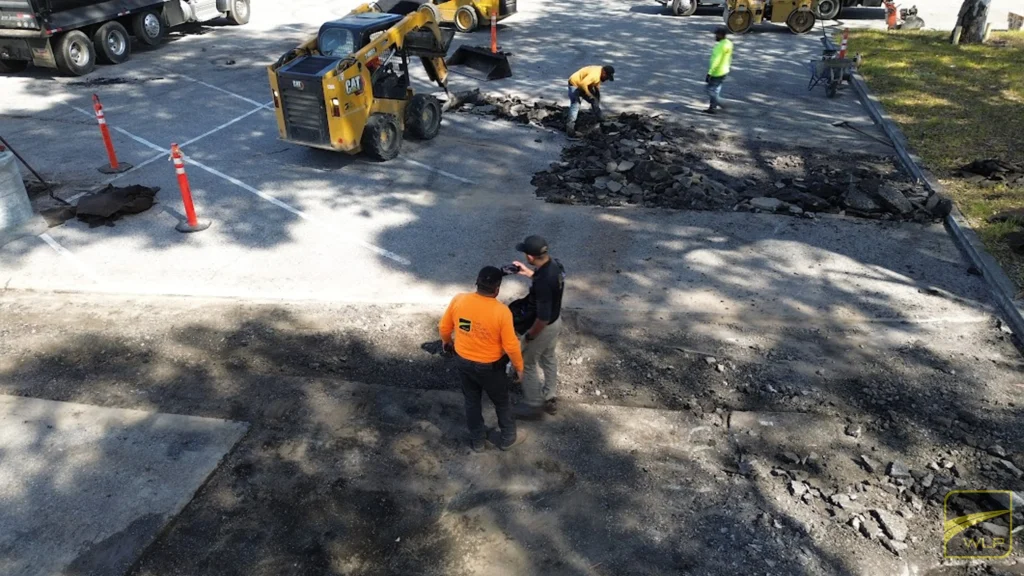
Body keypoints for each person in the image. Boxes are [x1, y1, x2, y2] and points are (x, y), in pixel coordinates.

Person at [439, 266, 526, 452]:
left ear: (477, 283)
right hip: (491, 368)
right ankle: (508, 438)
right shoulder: (501, 312)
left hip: (463, 361)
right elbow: (511, 345)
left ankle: (477, 441)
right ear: (497, 289)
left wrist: (446, 342)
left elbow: (444, 327)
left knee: (471, 401)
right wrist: (519, 367)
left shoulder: (459, 300)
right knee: (501, 402)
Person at [510, 235, 566, 420]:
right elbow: (549, 286)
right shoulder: (555, 266)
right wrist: (529, 273)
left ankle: (533, 405)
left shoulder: (542, 281)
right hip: (556, 321)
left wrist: (529, 337)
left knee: (527, 362)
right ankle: (550, 397)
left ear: (530, 256)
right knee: (548, 356)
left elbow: (541, 319)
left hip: (545, 327)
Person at [566, 65, 615, 138]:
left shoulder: (600, 72)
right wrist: (589, 95)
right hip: (574, 84)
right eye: (607, 77)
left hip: (584, 84)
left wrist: (596, 96)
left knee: (594, 100)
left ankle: (600, 118)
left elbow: (596, 84)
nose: (606, 79)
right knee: (575, 104)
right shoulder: (595, 75)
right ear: (604, 72)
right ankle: (570, 130)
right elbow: (582, 84)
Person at [704, 27, 733, 115]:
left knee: (709, 89)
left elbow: (716, 61)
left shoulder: (720, 47)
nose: (715, 37)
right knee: (716, 89)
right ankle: (712, 107)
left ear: (720, 35)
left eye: (716, 35)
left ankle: (720, 102)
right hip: (725, 70)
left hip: (717, 72)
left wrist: (710, 73)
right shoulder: (728, 43)